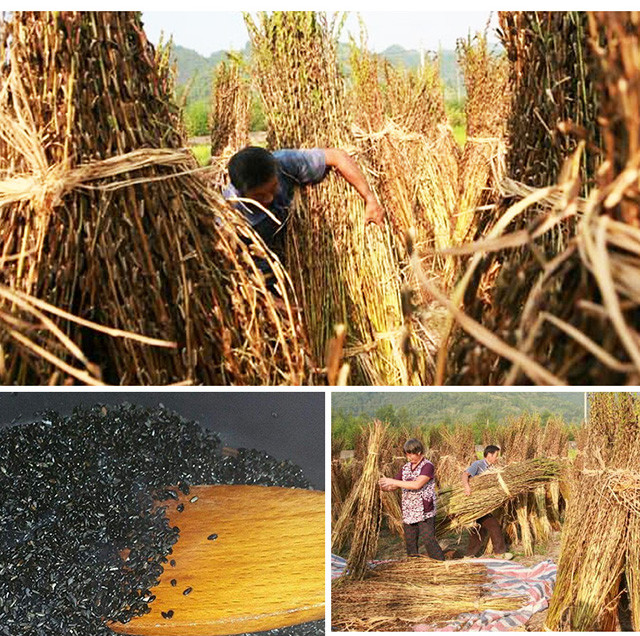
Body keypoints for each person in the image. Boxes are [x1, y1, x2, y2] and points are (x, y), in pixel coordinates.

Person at [223, 147, 385, 290]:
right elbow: (233, 267)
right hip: (263, 263)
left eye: (273, 188)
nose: (269, 199)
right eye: (259, 196)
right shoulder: (230, 212)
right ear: (240, 192)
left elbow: (337, 157)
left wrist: (370, 199)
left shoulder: (284, 163)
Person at [378, 438, 445, 560]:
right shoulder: (406, 468)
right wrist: (382, 486)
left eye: (411, 454)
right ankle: (414, 564)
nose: (409, 457)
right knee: (410, 542)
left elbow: (417, 484)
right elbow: (394, 485)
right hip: (409, 510)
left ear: (419, 452)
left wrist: (392, 481)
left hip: (424, 510)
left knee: (428, 540)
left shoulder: (427, 466)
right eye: (407, 454)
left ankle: (441, 564)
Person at [462, 445, 514, 560]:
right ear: (489, 455)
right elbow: (465, 474)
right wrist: (467, 487)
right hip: (475, 503)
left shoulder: (492, 467)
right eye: (496, 455)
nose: (497, 458)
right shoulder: (478, 464)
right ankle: (499, 553)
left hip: (483, 505)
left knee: (478, 530)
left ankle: (469, 555)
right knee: (493, 525)